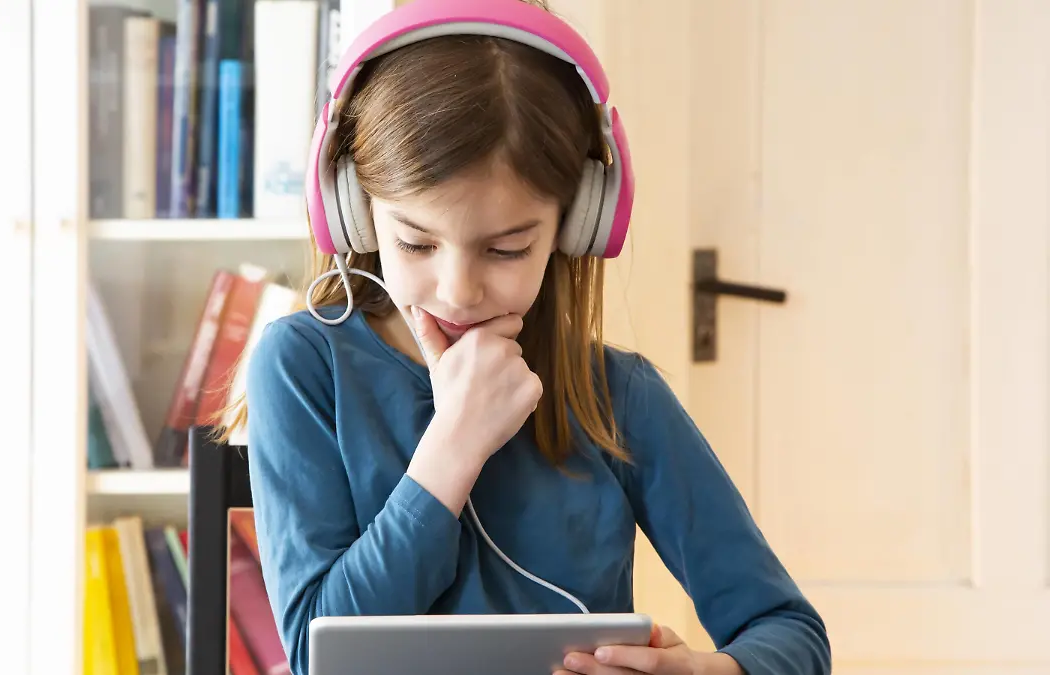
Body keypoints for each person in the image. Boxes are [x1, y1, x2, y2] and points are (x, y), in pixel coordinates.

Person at [219, 0, 832, 674]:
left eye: (506, 249)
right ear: (354, 212)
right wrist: (454, 444)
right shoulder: (302, 365)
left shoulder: (617, 397)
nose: (458, 289)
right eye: (416, 241)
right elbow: (317, 655)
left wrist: (707, 670)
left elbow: (792, 635)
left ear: (577, 225)